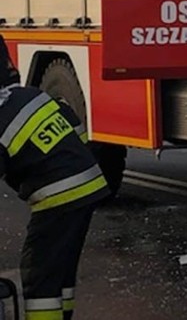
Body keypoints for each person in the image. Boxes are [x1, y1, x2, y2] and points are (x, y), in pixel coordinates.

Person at [0, 35, 109, 319]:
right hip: (88, 186)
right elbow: (75, 124)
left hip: (58, 197)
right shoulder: (29, 95)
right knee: (61, 267)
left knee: (39, 272)